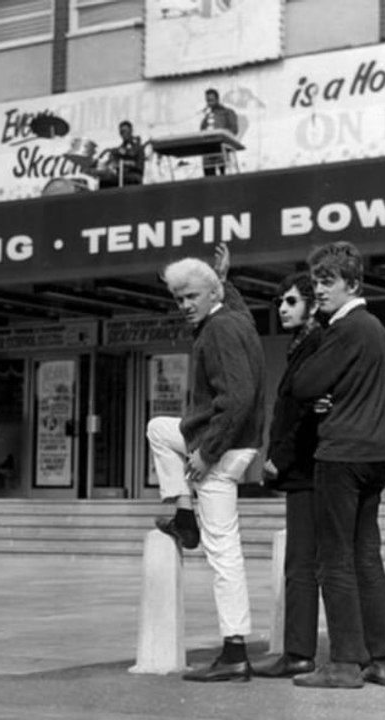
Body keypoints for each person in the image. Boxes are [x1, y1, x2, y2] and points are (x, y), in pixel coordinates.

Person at [146, 254, 265, 683]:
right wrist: (225, 280)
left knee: (223, 552)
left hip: (224, 447)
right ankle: (182, 513)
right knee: (159, 429)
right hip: (230, 441)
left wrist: (207, 452)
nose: (183, 304)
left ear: (211, 294)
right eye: (178, 298)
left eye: (191, 295)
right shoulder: (234, 319)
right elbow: (237, 307)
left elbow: (236, 397)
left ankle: (234, 651)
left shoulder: (218, 330)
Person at [290, 241, 385, 689]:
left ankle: (344, 663)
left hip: (341, 454)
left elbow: (304, 383)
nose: (319, 289)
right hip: (375, 455)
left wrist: (320, 388)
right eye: (315, 280)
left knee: (333, 560)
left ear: (352, 283)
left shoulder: (345, 327)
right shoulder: (376, 329)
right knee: (366, 556)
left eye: (327, 281)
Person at [250, 271, 324, 679]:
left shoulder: (314, 344)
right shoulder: (302, 345)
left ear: (313, 304)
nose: (282, 309)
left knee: (300, 565)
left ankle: (298, 653)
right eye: (280, 301)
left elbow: (304, 411)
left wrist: (279, 455)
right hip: (306, 469)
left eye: (291, 301)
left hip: (306, 470)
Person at [200, 88, 238, 176]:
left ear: (217, 99)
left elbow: (234, 130)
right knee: (209, 176)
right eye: (207, 100)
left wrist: (222, 135)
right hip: (208, 149)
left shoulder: (228, 112)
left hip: (221, 147)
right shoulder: (207, 116)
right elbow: (201, 131)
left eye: (211, 100)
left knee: (224, 175)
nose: (209, 103)